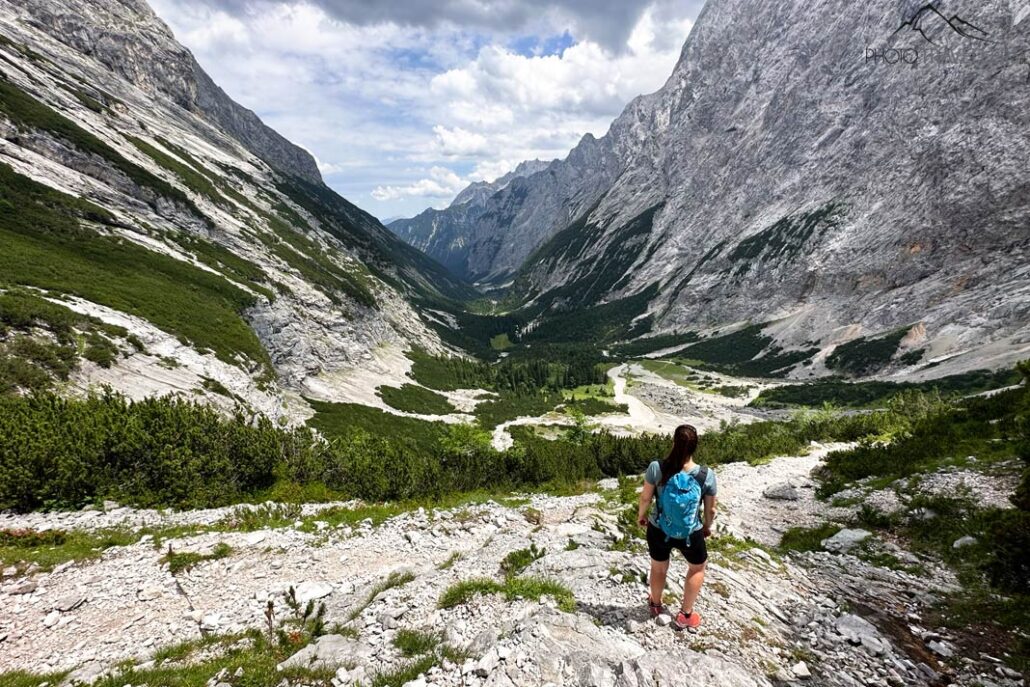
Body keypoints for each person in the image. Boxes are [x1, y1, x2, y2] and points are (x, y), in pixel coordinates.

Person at [636, 424, 717, 631]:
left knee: (658, 567)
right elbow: (711, 510)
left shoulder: (657, 467)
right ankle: (685, 615)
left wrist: (641, 516)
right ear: (695, 446)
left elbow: (645, 498)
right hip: (690, 532)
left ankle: (655, 605)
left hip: (659, 528)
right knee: (697, 568)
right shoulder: (706, 475)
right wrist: (706, 526)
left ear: (673, 442)